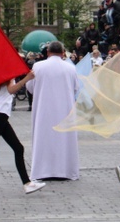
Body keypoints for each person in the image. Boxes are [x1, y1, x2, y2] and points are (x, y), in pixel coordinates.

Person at [26, 41, 79, 181]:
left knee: (43, 138)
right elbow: (75, 88)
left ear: (48, 52)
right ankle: (66, 170)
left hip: (44, 109)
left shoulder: (38, 66)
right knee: (65, 139)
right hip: (65, 109)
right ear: (63, 53)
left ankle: (42, 171)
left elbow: (30, 87)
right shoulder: (70, 68)